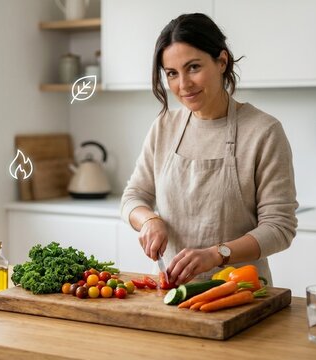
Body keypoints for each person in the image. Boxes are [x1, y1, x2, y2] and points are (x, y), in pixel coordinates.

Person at [120, 13, 298, 286]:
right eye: (172, 74)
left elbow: (279, 228)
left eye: (193, 67)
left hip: (241, 293)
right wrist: (148, 220)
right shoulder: (164, 127)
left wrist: (218, 254)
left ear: (222, 62)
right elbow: (134, 196)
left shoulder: (264, 131)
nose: (183, 85)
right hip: (174, 292)